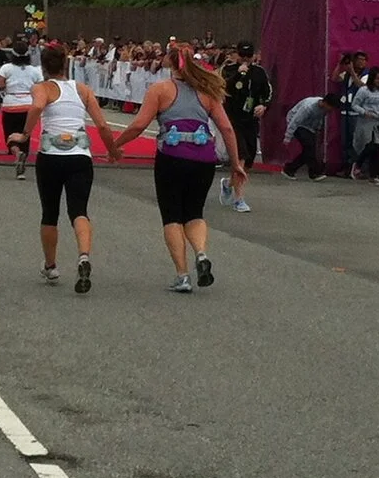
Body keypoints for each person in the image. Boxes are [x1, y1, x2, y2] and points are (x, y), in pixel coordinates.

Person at [114, 41, 246, 293]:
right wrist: (235, 163)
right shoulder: (207, 90)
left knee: (172, 214)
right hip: (204, 158)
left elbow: (138, 125)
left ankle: (182, 274)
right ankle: (202, 253)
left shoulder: (160, 89)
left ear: (170, 62)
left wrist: (116, 145)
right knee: (195, 212)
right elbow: (227, 128)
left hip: (172, 157)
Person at [25, 43, 119, 292]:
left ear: (43, 66)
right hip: (80, 155)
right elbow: (102, 126)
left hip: (51, 156)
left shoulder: (42, 88)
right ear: (66, 64)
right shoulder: (83, 90)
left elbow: (36, 107)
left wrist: (25, 134)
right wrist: (112, 150)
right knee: (79, 210)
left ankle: (51, 265)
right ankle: (84, 255)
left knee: (50, 212)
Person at [223, 42, 272, 171]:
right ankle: (238, 173)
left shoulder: (259, 71)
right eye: (242, 55)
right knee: (241, 149)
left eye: (248, 56)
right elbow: (225, 87)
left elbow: (267, 91)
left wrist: (263, 105)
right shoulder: (229, 69)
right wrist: (238, 74)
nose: (245, 59)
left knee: (251, 149)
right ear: (237, 55)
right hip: (233, 114)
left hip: (250, 115)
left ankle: (242, 170)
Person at [0, 44, 43, 179]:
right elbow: (40, 87)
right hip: (28, 105)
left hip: (11, 104)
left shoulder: (6, 68)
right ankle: (21, 169)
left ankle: (16, 153)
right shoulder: (35, 70)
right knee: (25, 134)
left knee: (10, 134)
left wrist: (6, 86)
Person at [350, 67, 379, 178]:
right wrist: (364, 112)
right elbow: (354, 105)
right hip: (366, 122)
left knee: (377, 149)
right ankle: (358, 164)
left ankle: (373, 175)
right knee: (370, 145)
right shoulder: (363, 90)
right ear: (372, 78)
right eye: (377, 78)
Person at [281, 93, 329, 178]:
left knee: (309, 150)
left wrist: (317, 129)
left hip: (309, 127)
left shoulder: (325, 109)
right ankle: (314, 172)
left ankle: (289, 169)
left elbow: (319, 118)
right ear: (325, 103)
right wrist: (288, 137)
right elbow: (295, 121)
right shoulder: (307, 107)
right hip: (298, 124)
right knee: (309, 147)